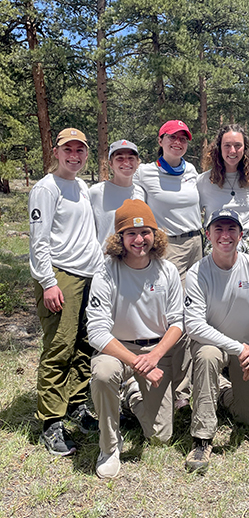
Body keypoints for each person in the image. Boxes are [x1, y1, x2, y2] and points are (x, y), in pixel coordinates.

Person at [86, 200, 183, 479]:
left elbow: (178, 323)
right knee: (104, 373)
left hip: (156, 349)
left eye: (146, 232)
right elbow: (97, 332)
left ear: (155, 234)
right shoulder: (106, 271)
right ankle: (109, 447)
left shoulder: (168, 271)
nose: (139, 240)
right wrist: (138, 363)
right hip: (117, 349)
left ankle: (131, 392)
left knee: (160, 437)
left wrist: (153, 358)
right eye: (131, 233)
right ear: (120, 238)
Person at [184, 208, 249, 473]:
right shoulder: (197, 272)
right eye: (218, 229)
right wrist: (240, 348)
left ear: (241, 234)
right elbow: (194, 325)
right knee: (207, 356)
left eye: (231, 229)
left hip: (247, 349)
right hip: (215, 346)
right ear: (208, 234)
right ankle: (202, 438)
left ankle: (221, 390)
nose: (225, 235)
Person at [29, 127, 104, 456]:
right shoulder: (46, 189)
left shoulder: (80, 186)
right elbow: (38, 241)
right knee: (59, 347)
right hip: (62, 275)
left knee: (83, 344)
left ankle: (75, 403)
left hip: (89, 275)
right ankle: (50, 421)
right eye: (68, 150)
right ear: (55, 153)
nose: (74, 156)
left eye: (80, 151)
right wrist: (48, 281)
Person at [134, 119, 201, 410]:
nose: (178, 143)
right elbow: (136, 210)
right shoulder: (145, 173)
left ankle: (185, 385)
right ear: (160, 140)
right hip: (167, 246)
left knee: (195, 311)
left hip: (196, 243)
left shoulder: (192, 172)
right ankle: (173, 388)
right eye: (172, 137)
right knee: (176, 316)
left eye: (183, 138)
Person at [197, 124, 249, 265]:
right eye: (227, 145)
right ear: (218, 148)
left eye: (238, 145)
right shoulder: (204, 181)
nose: (232, 150)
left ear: (245, 149)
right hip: (218, 240)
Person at [89, 139, 144, 248]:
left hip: (132, 259)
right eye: (120, 158)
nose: (126, 162)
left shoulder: (141, 193)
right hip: (104, 259)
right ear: (110, 164)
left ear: (137, 163)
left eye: (131, 158)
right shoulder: (96, 192)